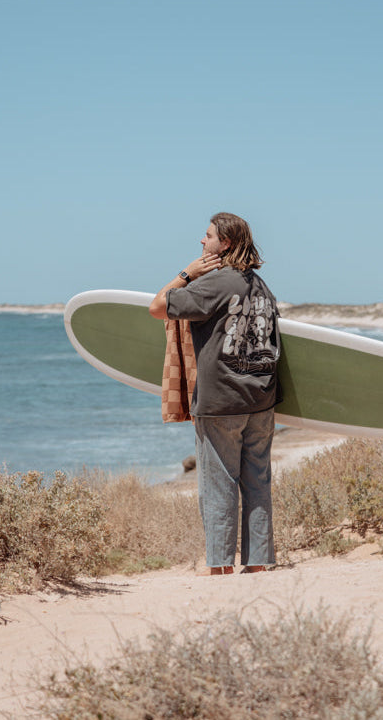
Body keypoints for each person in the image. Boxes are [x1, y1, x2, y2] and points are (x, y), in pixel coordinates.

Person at [149, 212, 281, 576]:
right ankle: (257, 564)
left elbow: (157, 307)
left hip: (222, 401)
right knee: (257, 483)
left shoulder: (215, 283)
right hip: (262, 399)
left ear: (225, 243)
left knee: (218, 484)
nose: (202, 241)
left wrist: (187, 273)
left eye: (208, 236)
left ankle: (220, 566)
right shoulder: (261, 286)